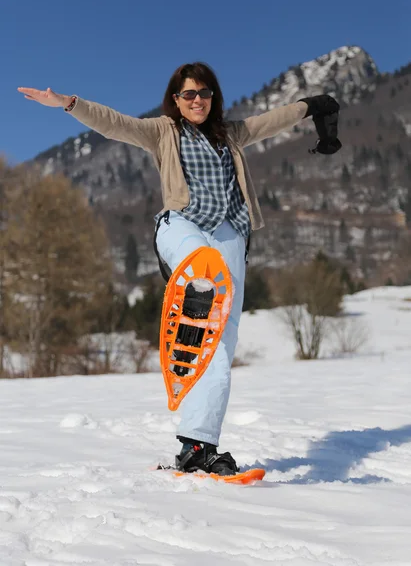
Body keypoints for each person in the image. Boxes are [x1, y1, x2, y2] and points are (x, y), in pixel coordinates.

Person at [18, 63, 339, 475]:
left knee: (218, 347)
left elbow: (271, 121)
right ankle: (194, 281)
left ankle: (198, 448)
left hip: (230, 236)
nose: (197, 101)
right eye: (188, 94)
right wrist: (68, 103)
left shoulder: (231, 134)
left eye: (204, 94)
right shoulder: (162, 131)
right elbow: (115, 124)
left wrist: (310, 106)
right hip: (183, 224)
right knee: (195, 259)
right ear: (175, 99)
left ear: (213, 98)